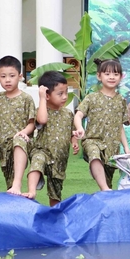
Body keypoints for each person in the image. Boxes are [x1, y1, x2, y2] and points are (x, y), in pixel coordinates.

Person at [0, 55, 36, 195]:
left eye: (12, 76)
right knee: (10, 183)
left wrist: (23, 132)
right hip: (3, 145)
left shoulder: (26, 98)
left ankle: (17, 184)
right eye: (3, 76)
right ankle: (17, 198)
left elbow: (32, 123)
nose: (8, 80)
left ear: (20, 76)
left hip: (22, 142)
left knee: (18, 142)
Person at [73, 58, 130, 191]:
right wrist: (80, 128)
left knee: (108, 181)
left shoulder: (121, 100)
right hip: (92, 140)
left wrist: (126, 147)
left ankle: (105, 193)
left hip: (112, 147)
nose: (112, 77)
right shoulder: (91, 97)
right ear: (99, 76)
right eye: (107, 74)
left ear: (121, 77)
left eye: (116, 74)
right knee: (94, 154)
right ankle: (104, 188)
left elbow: (119, 126)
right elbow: (78, 115)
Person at [31, 71, 79, 204]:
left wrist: (74, 141)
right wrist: (41, 98)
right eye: (60, 94)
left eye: (66, 92)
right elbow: (42, 120)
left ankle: (54, 213)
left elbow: (71, 131)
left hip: (59, 158)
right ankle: (31, 191)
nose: (64, 97)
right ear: (47, 95)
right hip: (43, 151)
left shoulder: (68, 113)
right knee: (37, 162)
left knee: (55, 192)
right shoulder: (41, 110)